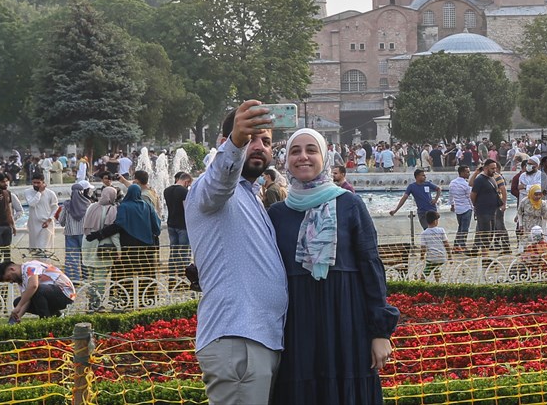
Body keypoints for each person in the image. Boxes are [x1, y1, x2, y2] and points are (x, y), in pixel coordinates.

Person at [268, 128, 398, 404]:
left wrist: (380, 333)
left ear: (325, 157)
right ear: (286, 159)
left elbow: (371, 267)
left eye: (311, 150)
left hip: (347, 324)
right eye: (295, 151)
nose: (303, 157)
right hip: (297, 330)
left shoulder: (349, 204)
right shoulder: (277, 214)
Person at [185, 102, 287, 404]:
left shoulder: (250, 194)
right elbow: (220, 180)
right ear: (224, 142)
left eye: (265, 141)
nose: (258, 147)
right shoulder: (210, 190)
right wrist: (235, 143)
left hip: (259, 339)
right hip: (238, 339)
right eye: (250, 138)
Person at [0, 259, 76, 320]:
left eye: (9, 278)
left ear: (12, 269)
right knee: (18, 301)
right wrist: (18, 316)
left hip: (65, 293)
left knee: (36, 290)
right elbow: (26, 300)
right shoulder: (21, 281)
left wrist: (18, 307)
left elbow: (34, 286)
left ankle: (45, 321)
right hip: (50, 293)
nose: (11, 281)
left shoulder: (29, 266)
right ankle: (57, 316)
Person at [82, 186, 119, 310]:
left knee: (90, 278)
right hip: (102, 249)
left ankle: (91, 303)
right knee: (100, 280)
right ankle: (97, 305)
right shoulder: (112, 209)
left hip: (87, 246)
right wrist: (119, 250)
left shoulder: (91, 207)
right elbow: (113, 233)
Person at [58, 181, 93, 281]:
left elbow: (61, 221)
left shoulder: (67, 205)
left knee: (71, 257)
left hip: (70, 234)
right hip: (84, 235)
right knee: (85, 256)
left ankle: (73, 278)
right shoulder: (88, 204)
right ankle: (86, 277)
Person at [163, 172, 192, 274]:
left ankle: (171, 275)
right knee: (183, 252)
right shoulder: (184, 192)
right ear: (186, 182)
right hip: (182, 225)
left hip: (171, 224)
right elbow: (187, 209)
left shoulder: (166, 190)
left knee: (173, 251)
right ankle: (182, 275)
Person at [23, 176, 57, 255]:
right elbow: (32, 203)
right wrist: (39, 192)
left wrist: (49, 220)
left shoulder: (50, 193)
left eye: (38, 183)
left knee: (44, 249)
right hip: (34, 225)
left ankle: (45, 266)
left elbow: (55, 208)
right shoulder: (27, 192)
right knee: (35, 250)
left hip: (46, 225)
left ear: (43, 182)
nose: (36, 185)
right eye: (34, 182)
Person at [448, 165, 473, 251]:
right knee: (465, 228)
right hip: (466, 208)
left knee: (460, 227)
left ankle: (456, 244)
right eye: (467, 172)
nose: (469, 173)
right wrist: (473, 208)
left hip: (458, 209)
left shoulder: (452, 183)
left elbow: (450, 196)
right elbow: (470, 198)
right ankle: (462, 245)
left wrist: (452, 205)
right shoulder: (466, 184)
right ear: (462, 172)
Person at [419, 210, 449, 282]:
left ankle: (421, 285)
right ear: (435, 221)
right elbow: (446, 244)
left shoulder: (424, 233)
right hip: (441, 258)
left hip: (431, 259)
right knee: (437, 268)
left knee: (425, 273)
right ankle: (438, 283)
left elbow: (423, 248)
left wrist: (422, 256)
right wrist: (450, 255)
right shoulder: (441, 230)